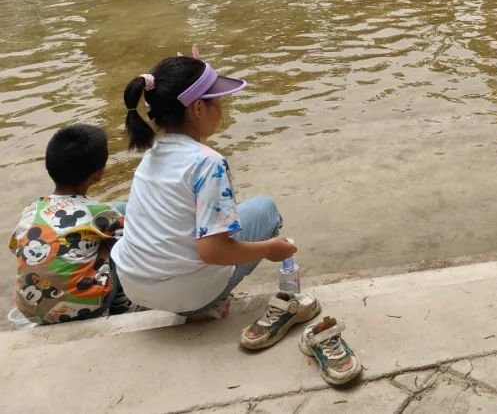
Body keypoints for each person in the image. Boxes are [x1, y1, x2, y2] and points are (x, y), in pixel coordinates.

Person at [111, 54, 320, 350]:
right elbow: (213, 251)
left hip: (134, 286)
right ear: (198, 108)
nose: (222, 109)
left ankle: (157, 294)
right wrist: (270, 249)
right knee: (265, 209)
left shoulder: (151, 155)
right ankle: (206, 306)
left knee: (124, 209)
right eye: (218, 102)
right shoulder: (209, 163)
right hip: (187, 297)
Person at [9, 124, 134, 324]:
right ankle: (120, 304)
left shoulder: (30, 212)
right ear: (99, 174)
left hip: (30, 311)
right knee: (120, 230)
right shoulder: (100, 213)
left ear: (49, 167)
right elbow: (136, 239)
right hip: (87, 308)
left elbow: (15, 247)